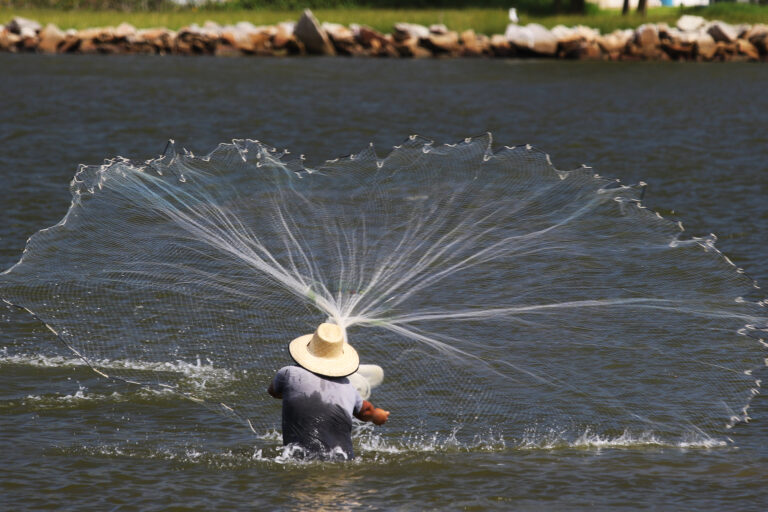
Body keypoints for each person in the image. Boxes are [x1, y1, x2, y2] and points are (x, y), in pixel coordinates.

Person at [268, 322, 389, 459]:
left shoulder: (288, 373)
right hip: (343, 463)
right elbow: (366, 411)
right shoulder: (348, 388)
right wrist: (377, 415)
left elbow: (274, 391)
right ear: (339, 359)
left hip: (298, 461)